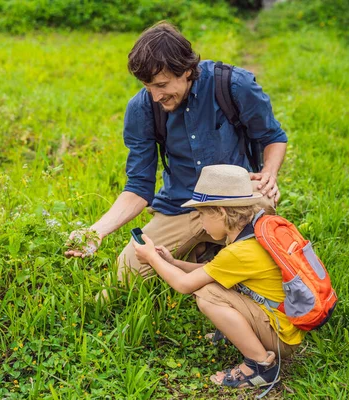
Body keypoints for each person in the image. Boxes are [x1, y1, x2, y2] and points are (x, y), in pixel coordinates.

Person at [65, 21, 287, 282]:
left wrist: (269, 173)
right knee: (126, 273)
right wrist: (96, 232)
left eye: (162, 84)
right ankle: (204, 250)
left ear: (187, 70)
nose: (156, 95)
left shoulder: (233, 85)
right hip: (180, 205)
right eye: (148, 86)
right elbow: (138, 186)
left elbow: (272, 137)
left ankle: (210, 252)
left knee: (264, 269)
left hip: (236, 202)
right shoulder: (142, 108)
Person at [132, 164, 305, 389]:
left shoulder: (239, 252)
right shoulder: (251, 233)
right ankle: (240, 334)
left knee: (207, 293)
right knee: (213, 283)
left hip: (280, 337)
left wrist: (152, 259)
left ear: (221, 213)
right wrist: (172, 262)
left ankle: (260, 366)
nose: (201, 222)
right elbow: (213, 269)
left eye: (202, 214)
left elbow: (184, 285)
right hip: (282, 322)